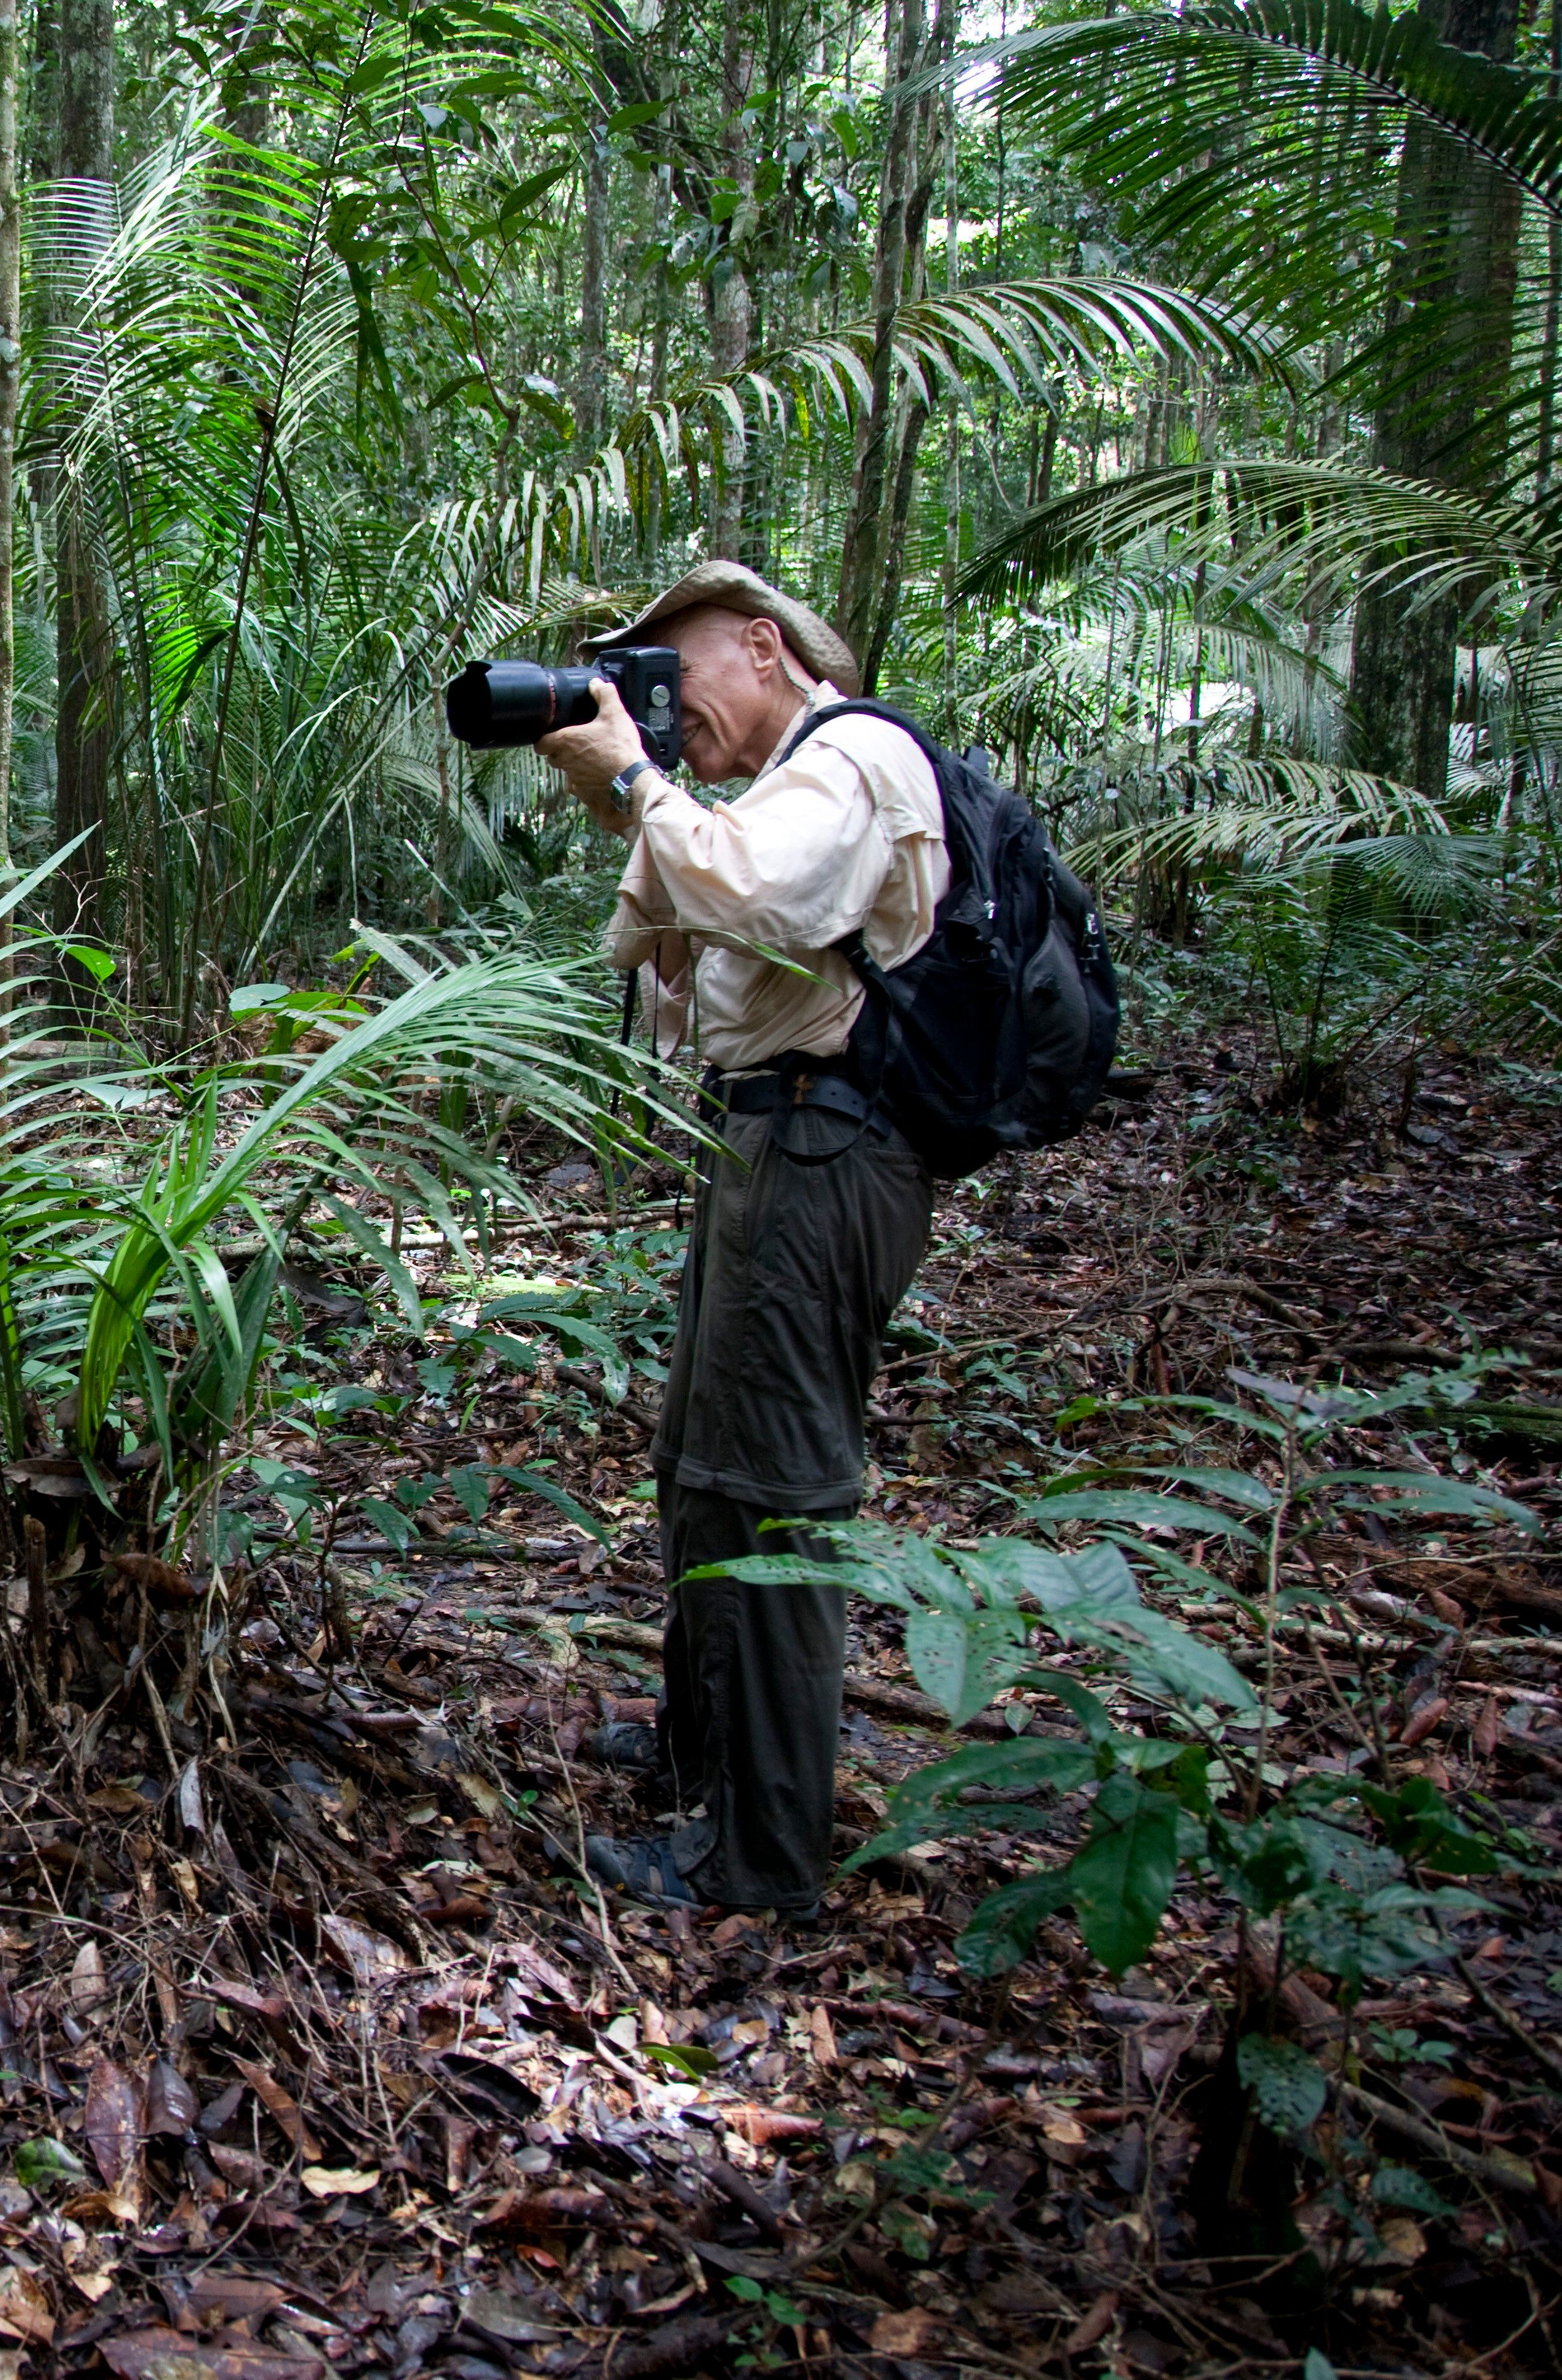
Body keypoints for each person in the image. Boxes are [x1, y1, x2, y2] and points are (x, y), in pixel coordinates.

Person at [530, 562, 946, 1917]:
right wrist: (631, 799)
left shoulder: (854, 756)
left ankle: (763, 1855)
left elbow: (765, 900)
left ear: (763, 648)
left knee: (777, 1484)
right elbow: (661, 968)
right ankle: (701, 1757)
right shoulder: (755, 795)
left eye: (676, 674)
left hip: (830, 1147)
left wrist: (649, 790)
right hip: (764, 1137)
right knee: (706, 1470)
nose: (663, 706)